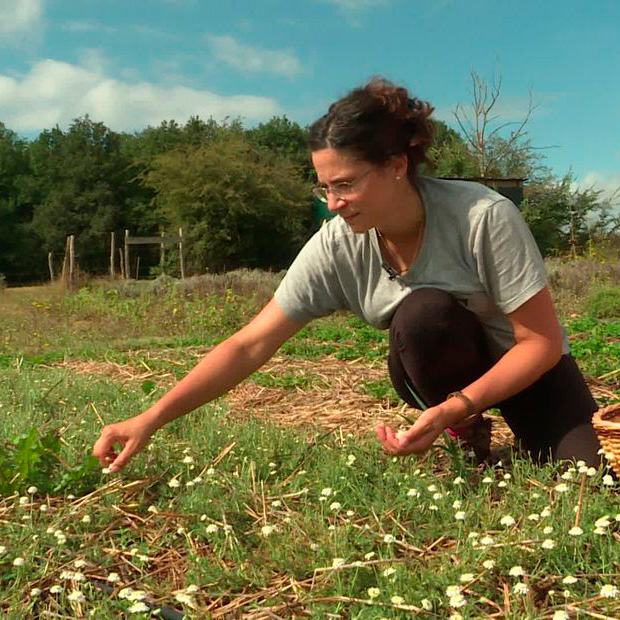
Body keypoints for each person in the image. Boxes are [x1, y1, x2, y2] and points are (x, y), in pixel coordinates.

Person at [93, 76, 604, 472]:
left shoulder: (483, 216)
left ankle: (487, 434)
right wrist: (150, 418)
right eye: (324, 188)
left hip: (527, 371)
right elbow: (250, 344)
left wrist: (458, 403)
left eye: (346, 184)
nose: (333, 204)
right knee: (424, 314)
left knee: (585, 475)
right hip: (447, 372)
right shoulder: (338, 243)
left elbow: (539, 343)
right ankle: (468, 437)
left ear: (397, 165)